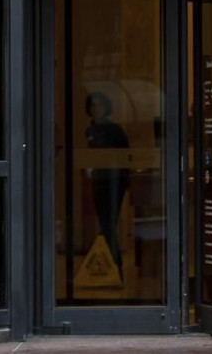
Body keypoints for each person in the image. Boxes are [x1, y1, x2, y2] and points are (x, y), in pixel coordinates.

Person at [85, 92, 130, 281]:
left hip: (114, 181)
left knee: (108, 223)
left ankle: (115, 265)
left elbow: (124, 155)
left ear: (106, 108)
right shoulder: (90, 130)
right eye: (93, 106)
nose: (97, 109)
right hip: (98, 180)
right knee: (105, 223)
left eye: (100, 105)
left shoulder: (114, 130)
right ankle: (111, 267)